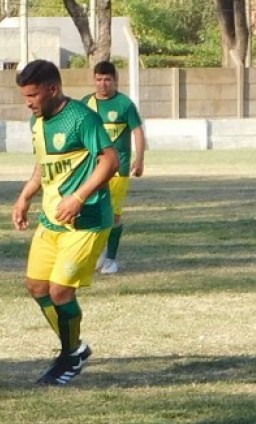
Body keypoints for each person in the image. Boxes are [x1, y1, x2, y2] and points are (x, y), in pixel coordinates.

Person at [11, 60, 119, 386]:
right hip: (52, 219)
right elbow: (43, 165)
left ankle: (69, 357)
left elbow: (110, 160)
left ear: (53, 89)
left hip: (86, 221)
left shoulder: (81, 118)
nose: (28, 102)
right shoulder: (38, 121)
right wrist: (25, 196)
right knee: (36, 286)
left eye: (33, 95)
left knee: (60, 291)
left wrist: (80, 196)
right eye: (25, 96)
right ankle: (74, 348)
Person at [82, 61, 146, 275]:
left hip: (119, 169)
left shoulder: (124, 104)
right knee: (91, 211)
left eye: (107, 79)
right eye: (99, 79)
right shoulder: (86, 104)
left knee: (114, 215)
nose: (103, 84)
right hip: (92, 169)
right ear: (93, 80)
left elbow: (137, 132)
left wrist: (140, 159)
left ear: (115, 80)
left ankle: (110, 259)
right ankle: (95, 254)